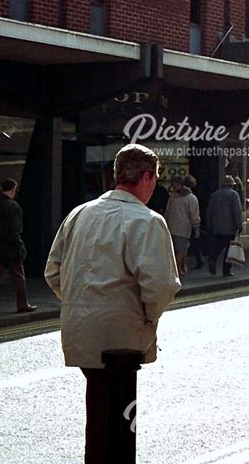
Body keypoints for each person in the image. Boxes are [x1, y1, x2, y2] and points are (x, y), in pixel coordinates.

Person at [44, 144, 181, 463]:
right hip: (123, 337)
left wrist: (81, 302)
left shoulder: (80, 213)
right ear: (146, 177)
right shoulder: (147, 220)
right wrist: (147, 317)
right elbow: (160, 286)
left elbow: (53, 271)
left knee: (100, 407)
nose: (154, 187)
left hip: (80, 330)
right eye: (155, 180)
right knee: (119, 414)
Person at [0, 178, 36, 313]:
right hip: (12, 249)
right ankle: (22, 304)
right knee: (19, 277)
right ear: (13, 189)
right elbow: (15, 231)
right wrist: (19, 247)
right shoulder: (14, 207)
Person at [205, 175, 243, 277]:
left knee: (218, 245)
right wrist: (239, 225)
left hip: (217, 227)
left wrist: (209, 225)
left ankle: (212, 259)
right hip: (230, 227)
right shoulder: (234, 195)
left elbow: (209, 211)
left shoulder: (214, 195)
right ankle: (226, 270)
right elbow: (237, 211)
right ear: (232, 185)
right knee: (229, 249)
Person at [165, 175, 200, 278]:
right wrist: (196, 227)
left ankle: (181, 268)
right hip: (183, 227)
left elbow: (167, 211)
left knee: (176, 250)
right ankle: (178, 271)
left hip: (171, 226)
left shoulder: (173, 196)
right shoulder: (191, 198)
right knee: (181, 250)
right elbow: (194, 215)